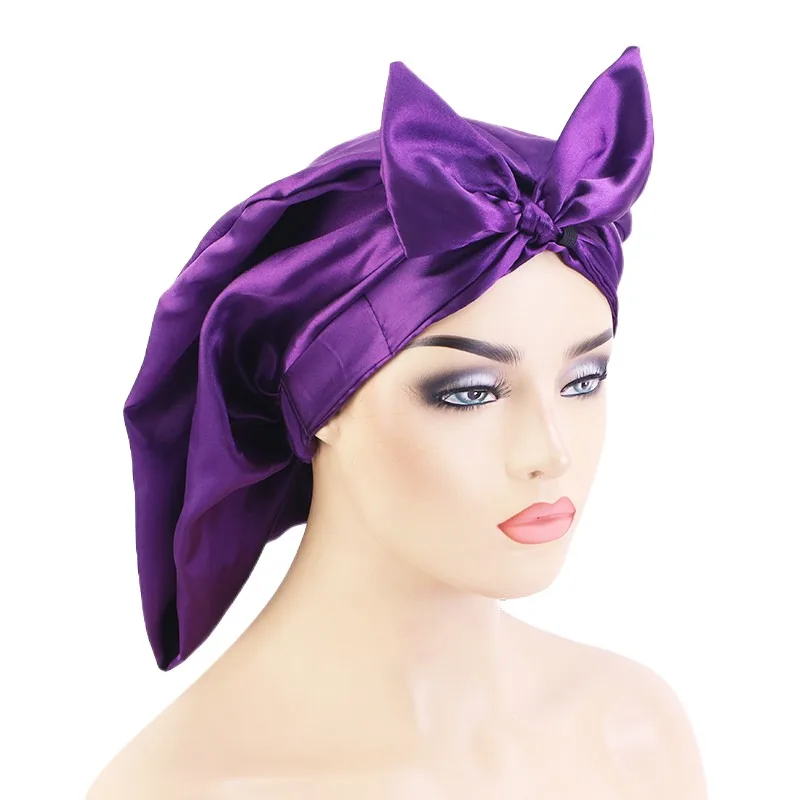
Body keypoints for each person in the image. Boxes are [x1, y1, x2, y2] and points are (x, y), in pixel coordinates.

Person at [87, 47, 707, 798]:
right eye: (469, 393)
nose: (550, 452)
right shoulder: (191, 789)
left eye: (584, 380)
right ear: (321, 403)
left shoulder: (632, 735)